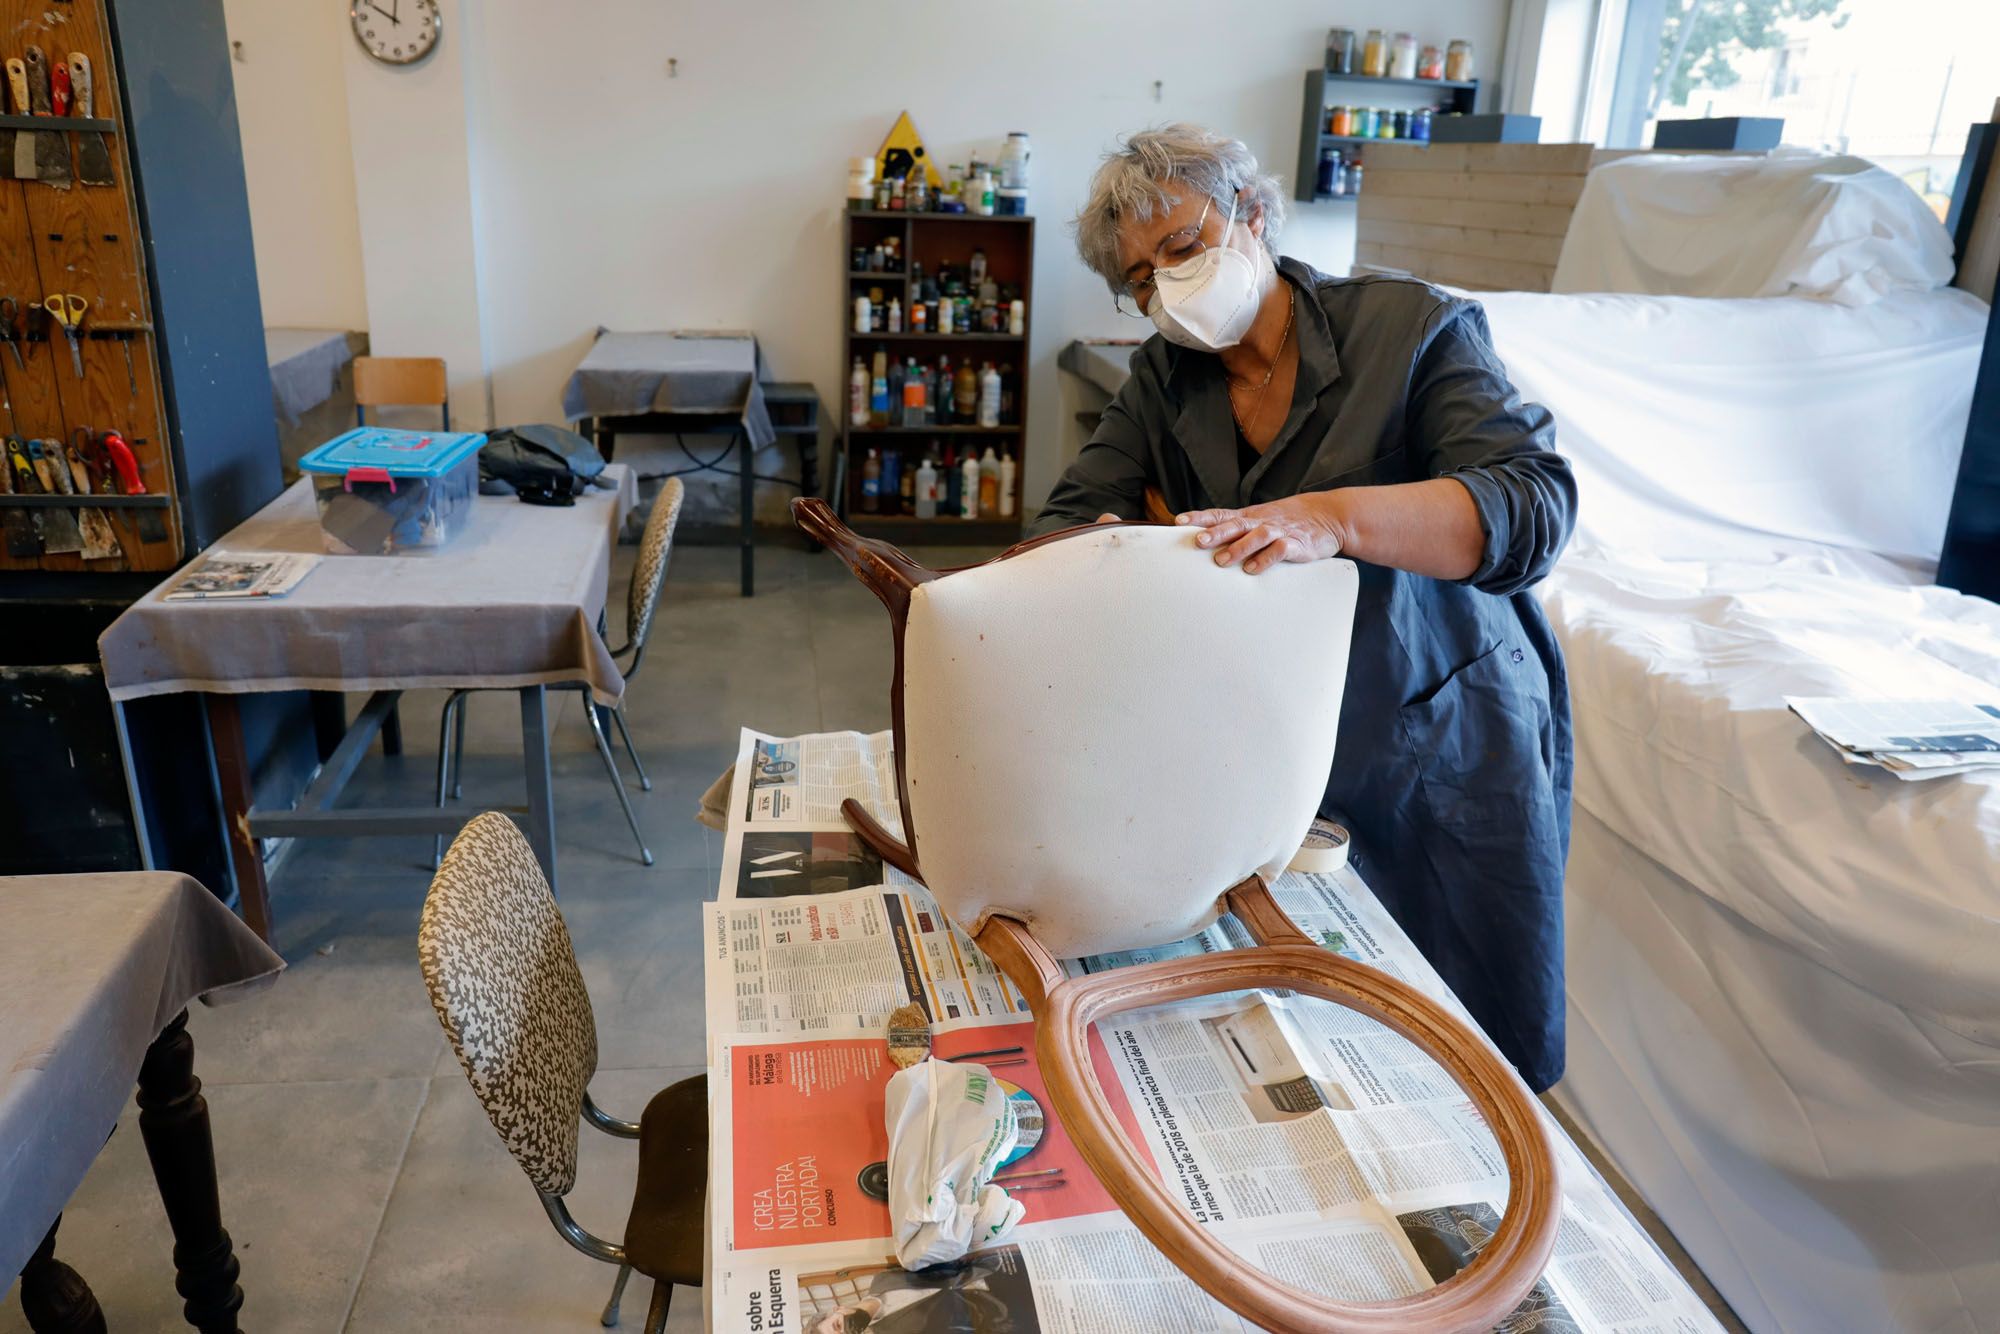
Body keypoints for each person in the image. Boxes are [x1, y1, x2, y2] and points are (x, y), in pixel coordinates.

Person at [1032, 125, 1576, 1091]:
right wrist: (1095, 554)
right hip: (1268, 745)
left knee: (1469, 1042)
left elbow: (1529, 503)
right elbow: (1076, 521)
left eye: (1182, 247)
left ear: (1251, 213)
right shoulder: (1166, 378)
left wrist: (1331, 519)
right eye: (1142, 279)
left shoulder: (1409, 328)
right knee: (1311, 1044)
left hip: (1437, 738)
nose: (1167, 287)